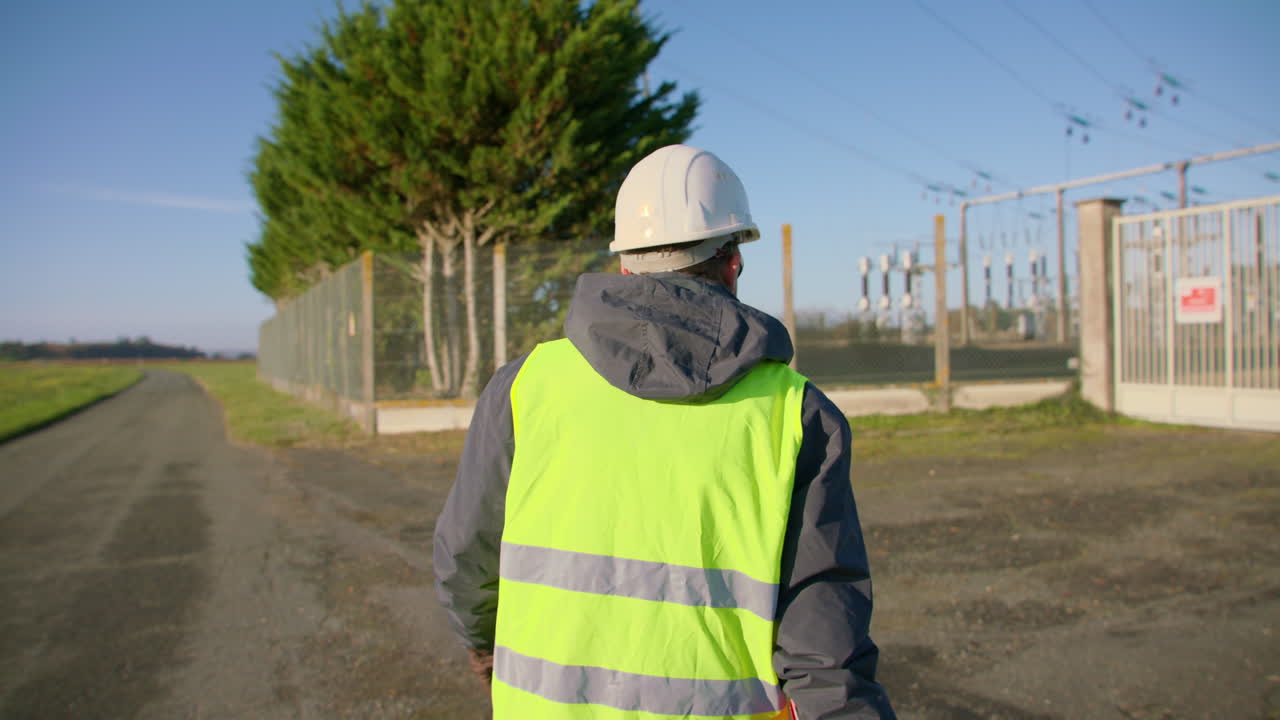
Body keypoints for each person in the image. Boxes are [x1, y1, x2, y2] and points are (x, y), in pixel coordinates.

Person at [433, 144, 895, 719]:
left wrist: (488, 652)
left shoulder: (524, 388)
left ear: (625, 264)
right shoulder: (795, 415)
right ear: (733, 262)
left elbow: (466, 561)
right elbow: (825, 639)